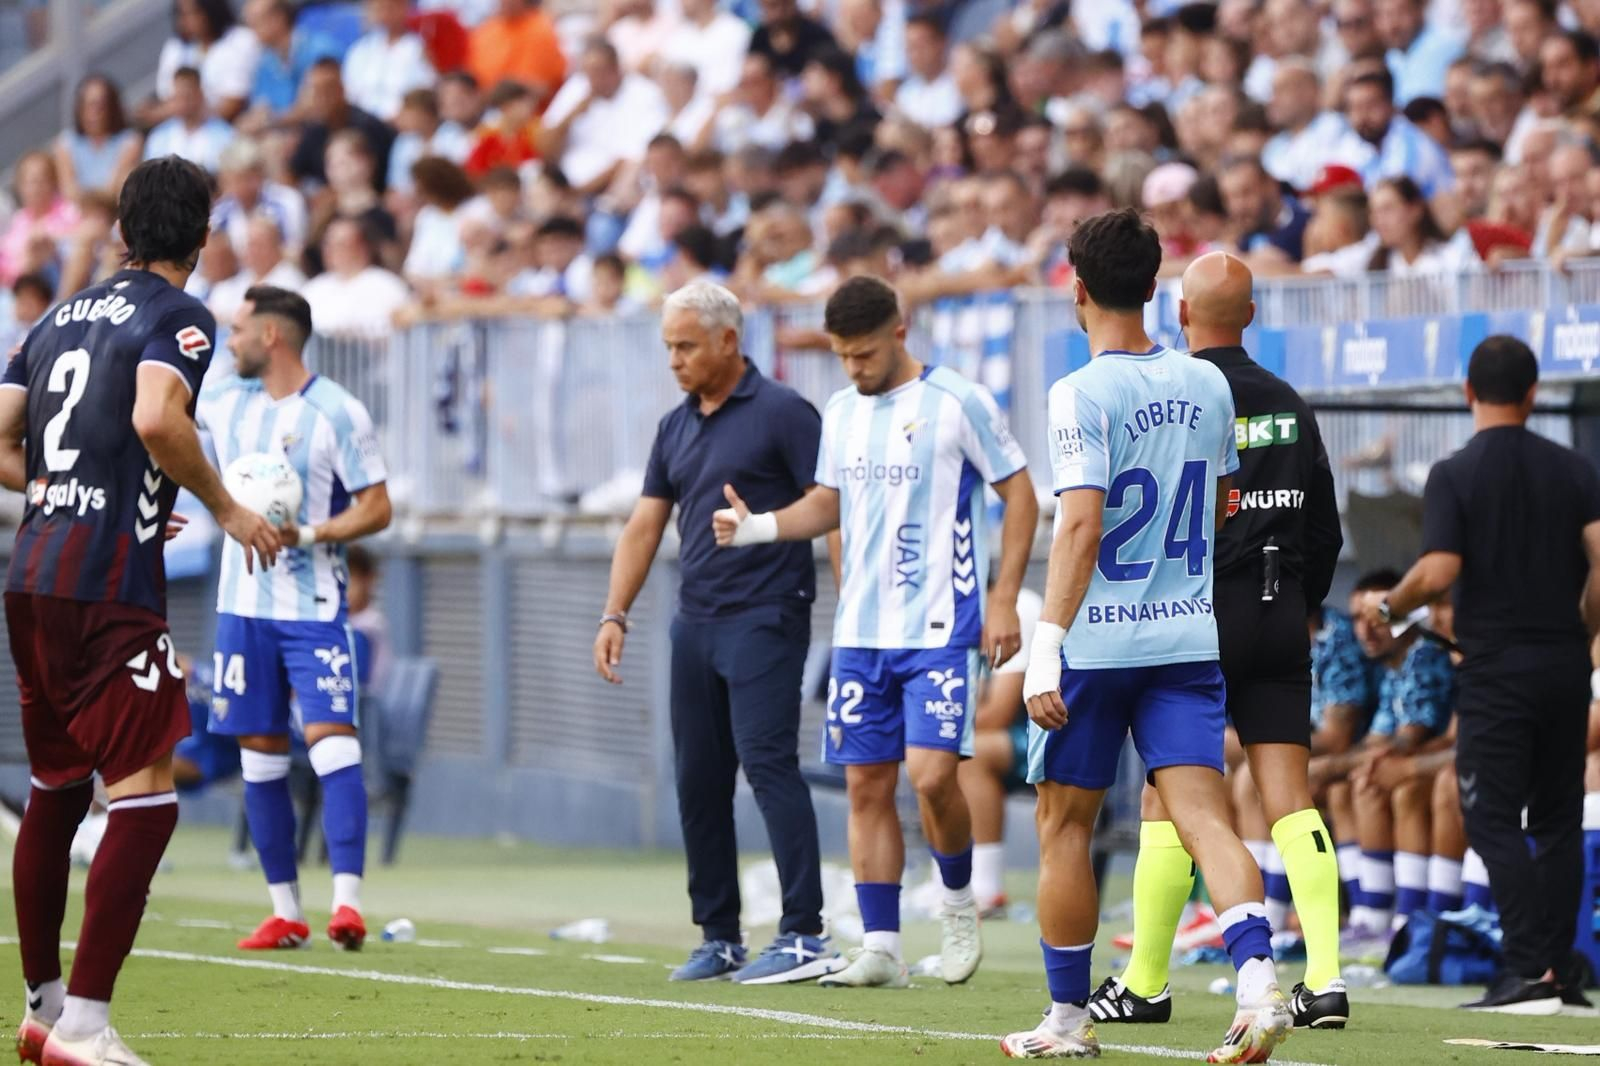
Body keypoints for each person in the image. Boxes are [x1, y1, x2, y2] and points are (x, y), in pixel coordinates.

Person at [0, 154, 280, 1066]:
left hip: (33, 574)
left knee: (55, 786)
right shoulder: (179, 317)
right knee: (147, 795)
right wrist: (225, 506)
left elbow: (1, 437)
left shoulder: (54, 317)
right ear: (201, 237)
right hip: (104, 585)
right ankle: (84, 1028)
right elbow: (158, 417)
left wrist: (77, 496)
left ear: (122, 230)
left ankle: (42, 1008)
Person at [1004, 210, 1291, 1061]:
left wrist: (1046, 644)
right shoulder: (1208, 383)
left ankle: (1067, 1022)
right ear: (1157, 288)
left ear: (1078, 290)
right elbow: (1224, 499)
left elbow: (1080, 524)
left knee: (1063, 826)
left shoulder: (1079, 391)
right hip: (1185, 635)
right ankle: (1258, 987)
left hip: (1095, 645)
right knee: (1205, 817)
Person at [714, 274, 1039, 988]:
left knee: (932, 777)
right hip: (861, 632)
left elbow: (1019, 494)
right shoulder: (841, 411)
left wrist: (1004, 597)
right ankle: (882, 948)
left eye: (862, 354)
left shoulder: (957, 401)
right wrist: (759, 527)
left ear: (898, 331)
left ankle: (959, 906)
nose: (853, 368)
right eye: (842, 356)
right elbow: (827, 504)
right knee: (866, 785)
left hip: (940, 626)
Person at [1089, 251, 1347, 1031]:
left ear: (1180, 313)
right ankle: (1326, 981)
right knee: (1290, 797)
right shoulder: (1292, 404)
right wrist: (1300, 605)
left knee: (1167, 794)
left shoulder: (1183, 392)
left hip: (1196, 611)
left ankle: (1145, 982)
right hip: (1281, 610)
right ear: (1253, 315)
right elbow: (1325, 531)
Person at [593, 281, 834, 985]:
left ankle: (803, 932)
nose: (675, 359)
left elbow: (829, 504)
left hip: (767, 614)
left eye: (687, 346)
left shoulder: (785, 412)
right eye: (669, 347)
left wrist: (836, 590)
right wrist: (614, 612)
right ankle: (720, 935)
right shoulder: (675, 426)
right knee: (698, 779)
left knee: (768, 765)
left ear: (729, 340)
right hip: (695, 620)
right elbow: (645, 525)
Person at [1356, 335, 1600, 1014]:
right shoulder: (1575, 468)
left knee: (1490, 816)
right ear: (1533, 394)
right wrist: (1585, 624)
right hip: (1565, 664)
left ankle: (1526, 970)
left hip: (1497, 669)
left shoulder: (1455, 471)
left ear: (1468, 393)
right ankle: (1560, 971)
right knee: (1556, 819)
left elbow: (1440, 569)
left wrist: (1389, 605)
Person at [196, 285, 393, 954]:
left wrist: (308, 534)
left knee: (334, 743)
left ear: (271, 335)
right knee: (259, 759)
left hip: (313, 609)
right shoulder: (222, 399)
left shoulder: (337, 411)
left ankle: (347, 905)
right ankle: (285, 912)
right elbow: (160, 427)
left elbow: (377, 506)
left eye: (239, 328)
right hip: (241, 608)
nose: (230, 340)